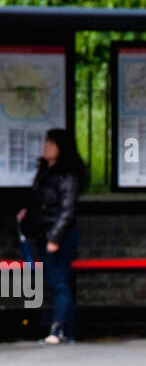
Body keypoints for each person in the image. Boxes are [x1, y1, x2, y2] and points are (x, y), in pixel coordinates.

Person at [17, 128, 88, 344]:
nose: (46, 146)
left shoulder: (67, 174)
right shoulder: (47, 172)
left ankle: (58, 330)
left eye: (51, 143)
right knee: (57, 281)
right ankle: (67, 330)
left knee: (59, 282)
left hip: (58, 236)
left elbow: (67, 210)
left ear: (61, 147)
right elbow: (42, 203)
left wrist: (55, 238)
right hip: (45, 233)